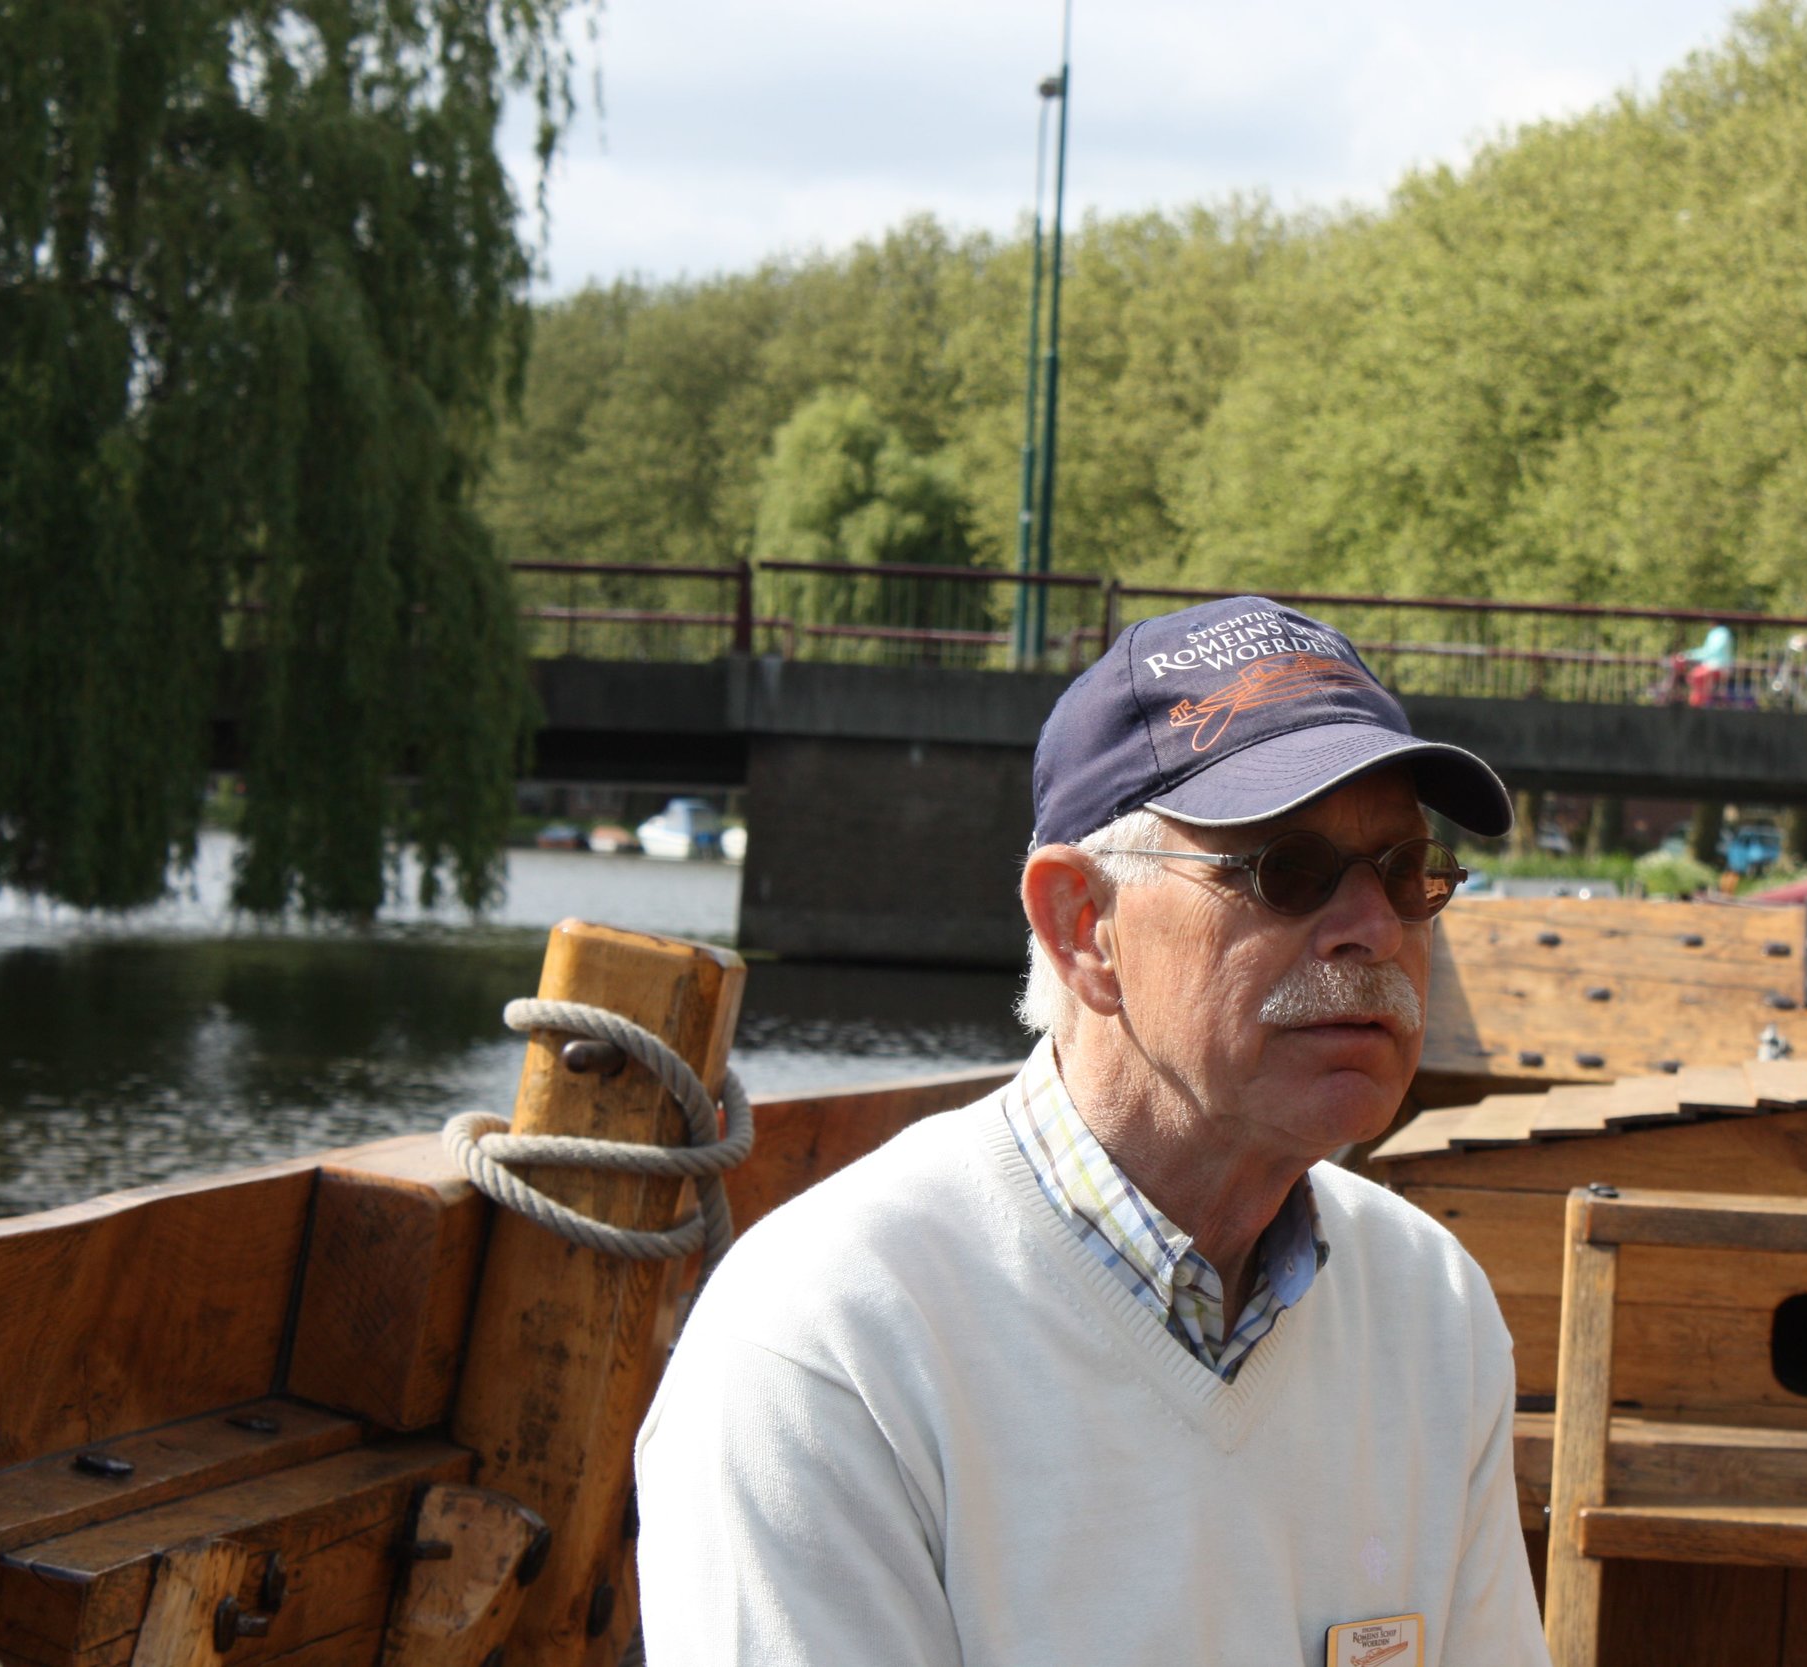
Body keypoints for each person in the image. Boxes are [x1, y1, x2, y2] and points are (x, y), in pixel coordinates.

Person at [635, 596, 1549, 1666]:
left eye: (1407, 871)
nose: (1376, 927)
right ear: (1083, 927)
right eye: (1286, 870)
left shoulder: (1430, 1307)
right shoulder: (832, 1337)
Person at [1686, 619, 1735, 707]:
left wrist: (1689, 655)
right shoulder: (1716, 633)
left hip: (1718, 667)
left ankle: (1698, 704)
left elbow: (1711, 651)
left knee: (1697, 676)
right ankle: (1696, 703)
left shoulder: (1721, 633)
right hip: (1712, 666)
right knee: (1694, 676)